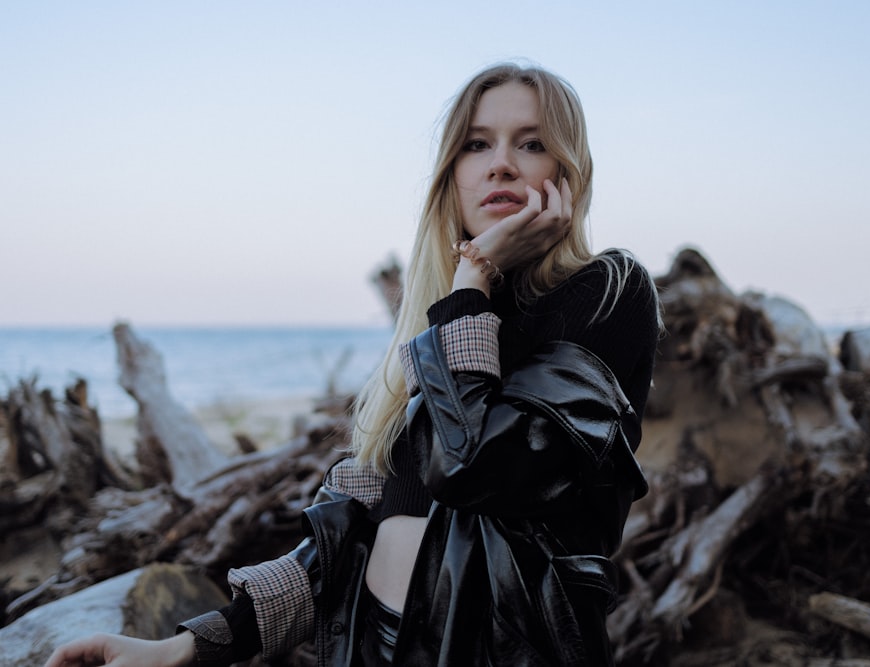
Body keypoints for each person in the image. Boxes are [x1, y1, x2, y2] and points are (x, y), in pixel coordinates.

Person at [45, 61, 661, 667]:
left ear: (567, 174)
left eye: (531, 143)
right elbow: (342, 544)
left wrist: (471, 281)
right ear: (452, 176)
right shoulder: (439, 341)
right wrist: (185, 646)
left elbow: (477, 464)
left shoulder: (606, 291)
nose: (500, 162)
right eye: (477, 145)